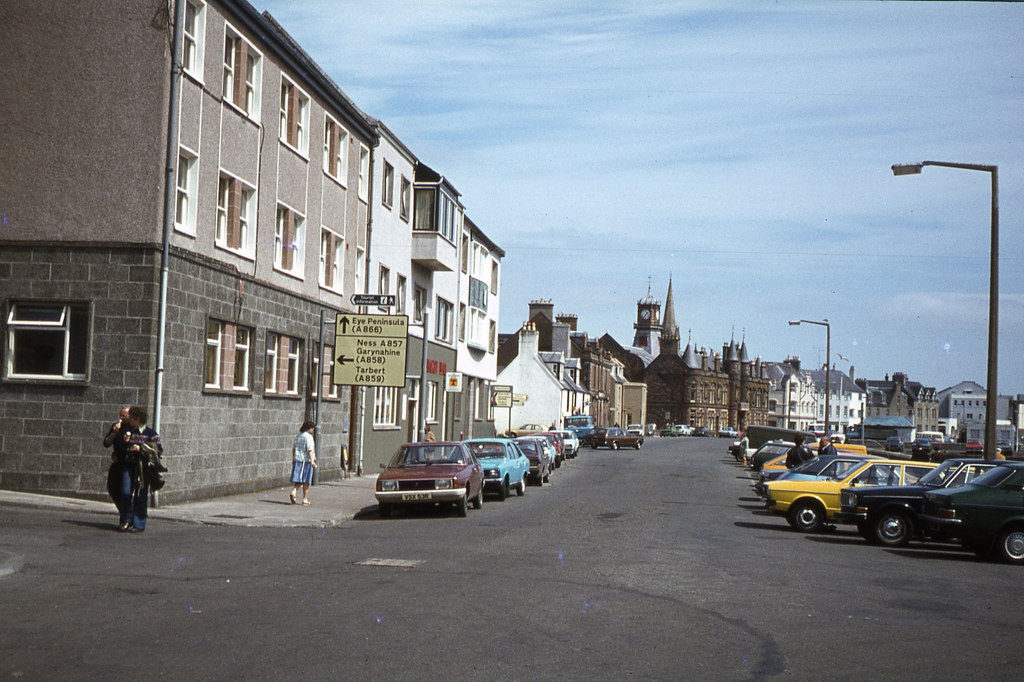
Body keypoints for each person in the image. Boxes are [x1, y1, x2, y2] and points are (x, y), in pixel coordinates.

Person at [111, 406, 161, 532]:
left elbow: (158, 450)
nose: (129, 420)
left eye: (131, 418)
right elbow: (120, 447)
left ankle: (139, 524)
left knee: (140, 495)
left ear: (137, 419)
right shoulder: (130, 432)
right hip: (128, 465)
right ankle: (126, 519)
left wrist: (140, 448)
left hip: (142, 467)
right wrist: (125, 442)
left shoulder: (151, 433)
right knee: (125, 492)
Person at [102, 406, 130, 516]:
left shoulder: (132, 428)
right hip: (117, 463)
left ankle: (127, 516)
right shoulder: (116, 427)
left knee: (125, 491)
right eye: (120, 415)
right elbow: (106, 443)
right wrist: (114, 432)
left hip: (127, 463)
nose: (121, 418)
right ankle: (123, 513)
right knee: (112, 488)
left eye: (124, 416)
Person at [290, 421, 317, 505]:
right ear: (309, 428)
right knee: (306, 480)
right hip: (306, 461)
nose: (313, 430)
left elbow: (294, 448)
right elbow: (310, 450)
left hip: (297, 459)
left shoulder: (298, 436)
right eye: (312, 428)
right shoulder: (308, 437)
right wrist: (312, 461)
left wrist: (293, 458)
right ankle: (303, 498)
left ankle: (295, 492)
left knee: (299, 478)